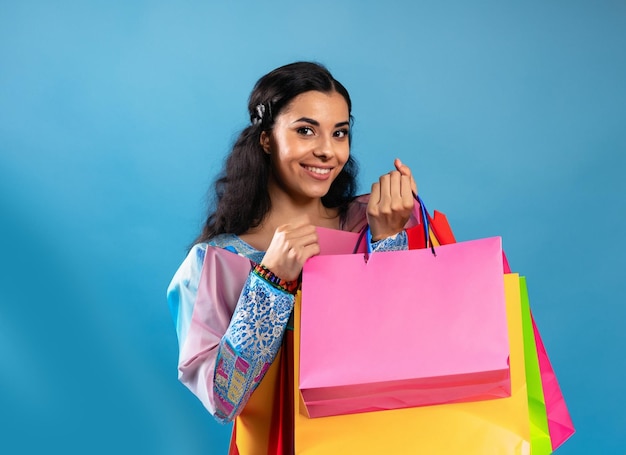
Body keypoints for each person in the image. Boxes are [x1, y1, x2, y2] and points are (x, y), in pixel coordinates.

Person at [167, 61, 422, 454]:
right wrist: (271, 281)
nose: (326, 150)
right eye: (306, 130)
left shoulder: (377, 221)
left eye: (340, 133)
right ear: (266, 138)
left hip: (399, 439)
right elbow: (222, 401)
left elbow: (416, 344)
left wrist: (387, 239)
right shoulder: (217, 262)